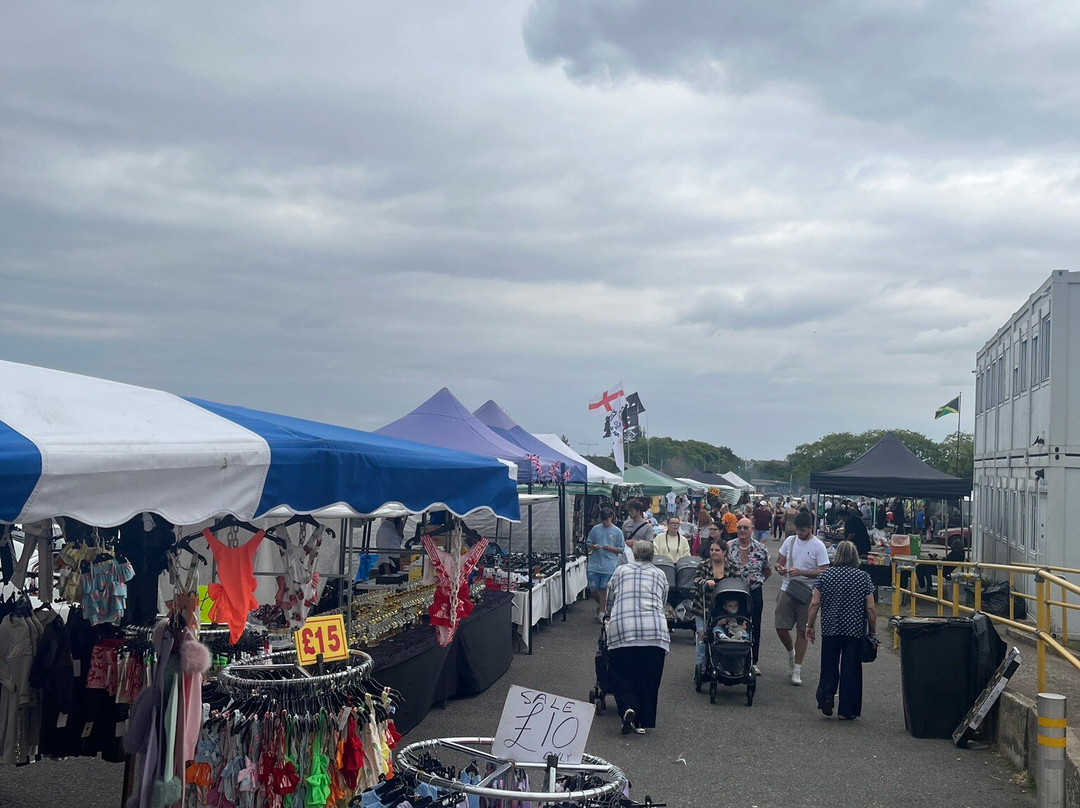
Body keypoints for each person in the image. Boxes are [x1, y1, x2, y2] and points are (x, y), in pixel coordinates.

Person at [605, 540, 670, 735]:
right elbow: (663, 599)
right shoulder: (660, 574)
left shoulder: (621, 571)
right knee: (649, 678)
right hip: (654, 631)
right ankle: (642, 721)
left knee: (621, 673)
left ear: (633, 554)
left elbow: (610, 597)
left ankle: (627, 707)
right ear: (652, 556)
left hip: (624, 629)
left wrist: (609, 614)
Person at [805, 541, 876, 720]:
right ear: (855, 556)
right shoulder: (864, 577)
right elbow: (870, 608)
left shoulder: (825, 576)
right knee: (851, 669)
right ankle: (847, 709)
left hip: (831, 628)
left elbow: (814, 603)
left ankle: (827, 697)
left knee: (829, 665)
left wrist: (809, 625)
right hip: (854, 630)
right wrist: (873, 631)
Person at [775, 511, 830, 686]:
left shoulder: (818, 546)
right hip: (788, 588)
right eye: (797, 529)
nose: (799, 533)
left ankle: (797, 669)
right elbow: (779, 562)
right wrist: (780, 568)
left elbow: (824, 571)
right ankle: (791, 652)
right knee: (780, 626)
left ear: (810, 528)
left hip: (807, 592)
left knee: (803, 631)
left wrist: (802, 572)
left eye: (803, 530)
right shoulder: (790, 541)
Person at [727, 518, 771, 674]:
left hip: (754, 592)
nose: (742, 530)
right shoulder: (729, 546)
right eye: (739, 527)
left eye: (745, 527)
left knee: (755, 626)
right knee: (734, 623)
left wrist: (757, 581)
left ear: (752, 528)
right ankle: (733, 660)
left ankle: (753, 661)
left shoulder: (761, 548)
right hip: (734, 593)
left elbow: (767, 570)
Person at [692, 539, 728, 675]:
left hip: (723, 608)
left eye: (717, 550)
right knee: (702, 637)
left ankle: (721, 665)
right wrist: (705, 582)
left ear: (724, 552)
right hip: (703, 606)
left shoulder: (732, 566)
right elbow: (696, 580)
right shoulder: (703, 565)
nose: (714, 552)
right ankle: (700, 668)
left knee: (721, 636)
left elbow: (737, 581)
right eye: (712, 550)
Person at [586, 508, 625, 621]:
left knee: (604, 590)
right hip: (595, 564)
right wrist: (593, 546)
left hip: (609, 565)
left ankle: (602, 613)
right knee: (593, 590)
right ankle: (603, 606)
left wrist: (611, 548)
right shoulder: (595, 529)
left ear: (611, 517)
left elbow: (621, 549)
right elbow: (588, 542)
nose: (604, 522)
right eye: (602, 520)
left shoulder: (617, 531)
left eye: (606, 520)